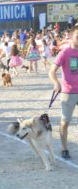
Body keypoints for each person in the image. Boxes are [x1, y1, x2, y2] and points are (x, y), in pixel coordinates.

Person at [49, 26, 78, 159]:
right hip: (69, 92)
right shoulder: (65, 52)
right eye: (77, 35)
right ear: (72, 36)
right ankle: (64, 148)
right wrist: (56, 83)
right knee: (65, 122)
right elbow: (52, 71)